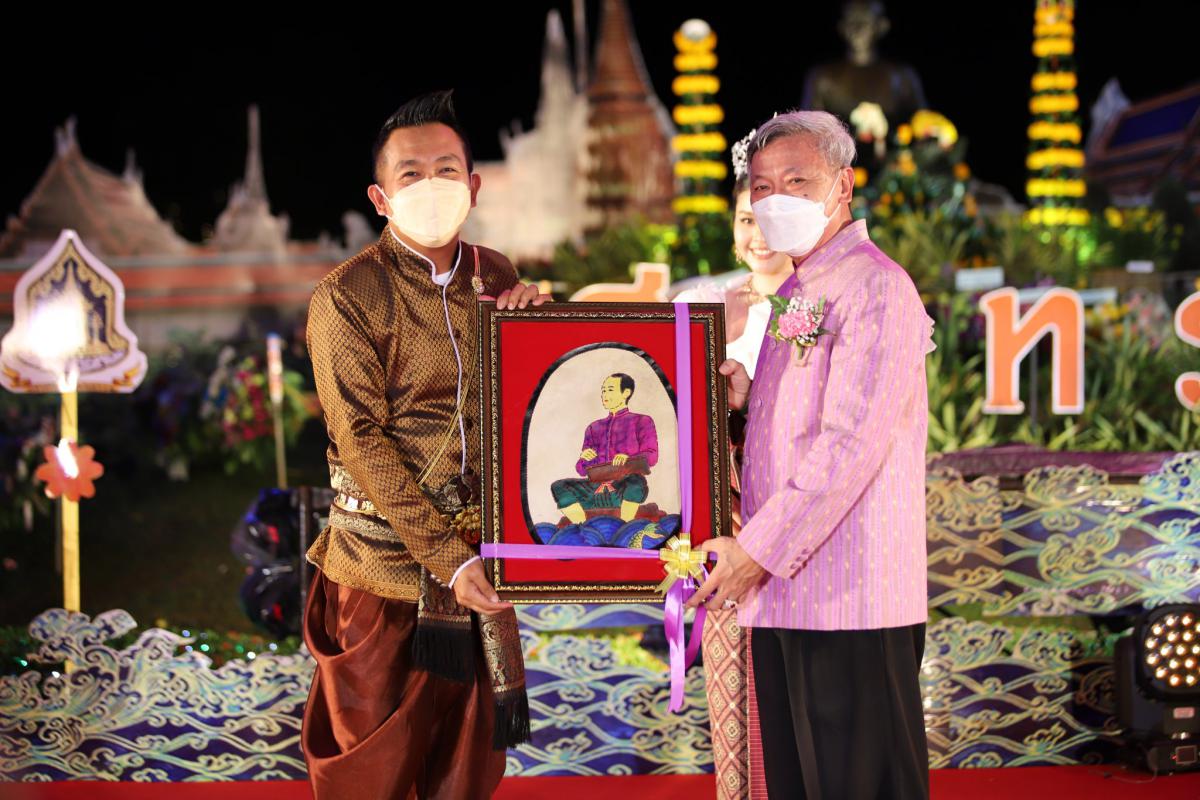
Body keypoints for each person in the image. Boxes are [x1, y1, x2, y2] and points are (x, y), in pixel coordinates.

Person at [301, 90, 544, 800]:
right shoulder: (347, 296)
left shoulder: (496, 275)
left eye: (446, 170)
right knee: (371, 769)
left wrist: (537, 327)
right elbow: (361, 439)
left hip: (481, 561)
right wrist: (448, 558)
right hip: (379, 568)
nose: (431, 185)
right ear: (380, 197)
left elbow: (532, 401)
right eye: (411, 174)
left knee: (464, 765)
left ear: (473, 185)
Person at [688, 110, 934, 800]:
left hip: (852, 597)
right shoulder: (802, 286)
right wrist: (742, 406)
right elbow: (799, 428)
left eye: (797, 181)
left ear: (843, 185)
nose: (776, 200)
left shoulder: (875, 286)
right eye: (762, 187)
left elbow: (851, 442)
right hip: (788, 593)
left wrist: (756, 549)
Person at [675, 129, 793, 800]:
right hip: (722, 523)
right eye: (747, 219)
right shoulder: (702, 305)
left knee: (789, 696)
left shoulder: (819, 303)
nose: (758, 234)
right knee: (729, 686)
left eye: (770, 217)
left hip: (791, 522)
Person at [551, 373, 659, 524]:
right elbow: (581, 470)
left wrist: (629, 459)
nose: (605, 395)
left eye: (610, 390)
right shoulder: (593, 428)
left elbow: (652, 457)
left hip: (623, 487)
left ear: (626, 393)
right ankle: (582, 526)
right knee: (559, 486)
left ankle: (626, 525)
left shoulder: (642, 421)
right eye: (603, 391)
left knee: (636, 481)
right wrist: (584, 459)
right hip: (595, 490)